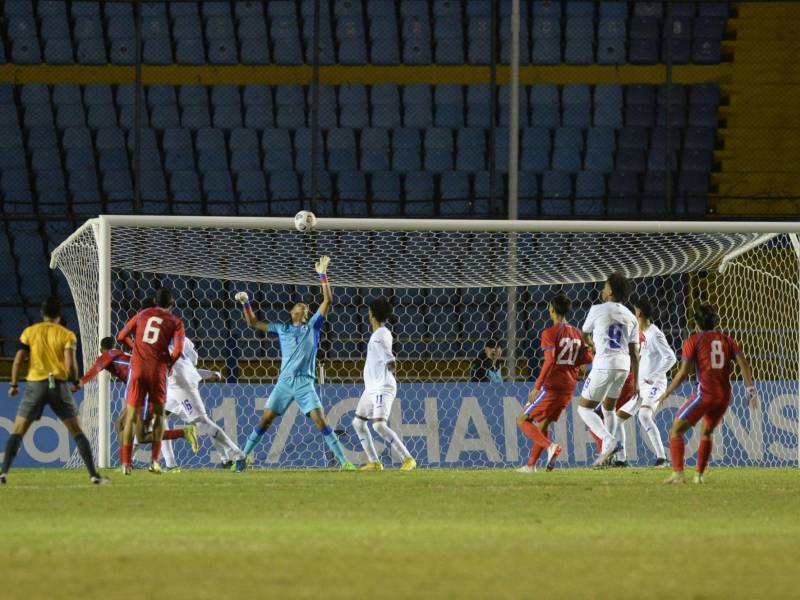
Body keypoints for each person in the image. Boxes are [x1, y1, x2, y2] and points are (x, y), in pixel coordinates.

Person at [235, 256, 355, 471]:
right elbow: (253, 323)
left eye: (305, 305)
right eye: (299, 304)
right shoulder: (282, 329)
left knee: (321, 422)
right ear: (291, 312)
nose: (304, 305)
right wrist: (246, 303)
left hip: (304, 382)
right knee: (265, 421)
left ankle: (345, 462)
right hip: (284, 382)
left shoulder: (313, 327)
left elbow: (327, 300)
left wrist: (323, 275)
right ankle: (242, 457)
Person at [1, 298, 107, 485]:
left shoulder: (29, 332)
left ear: (42, 314)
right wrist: (75, 381)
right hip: (58, 385)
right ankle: (93, 475)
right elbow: (71, 364)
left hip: (35, 385)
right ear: (60, 315)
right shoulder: (67, 335)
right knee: (77, 431)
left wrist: (14, 385)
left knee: (18, 431)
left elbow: (18, 361)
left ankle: (3, 473)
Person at [658, 304, 757, 484]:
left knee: (675, 430)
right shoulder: (727, 340)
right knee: (706, 432)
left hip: (704, 394)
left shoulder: (693, 341)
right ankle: (699, 476)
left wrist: (668, 392)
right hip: (724, 396)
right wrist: (750, 389)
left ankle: (678, 474)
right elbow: (744, 364)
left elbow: (683, 373)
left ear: (696, 323)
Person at [78, 336, 197, 470]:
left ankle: (183, 432)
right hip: (146, 390)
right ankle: (127, 462)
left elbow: (94, 370)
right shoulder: (122, 356)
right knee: (120, 424)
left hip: (144, 393)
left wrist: (76, 385)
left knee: (142, 436)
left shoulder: (108, 355)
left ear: (101, 350)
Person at [517, 292, 593, 473]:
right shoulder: (577, 333)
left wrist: (537, 386)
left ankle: (551, 446)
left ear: (551, 309)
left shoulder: (549, 333)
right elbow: (588, 359)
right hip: (569, 386)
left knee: (522, 420)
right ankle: (531, 465)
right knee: (543, 423)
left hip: (551, 385)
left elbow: (549, 360)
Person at [117, 287, 185, 475]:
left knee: (131, 418)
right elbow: (178, 350)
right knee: (158, 417)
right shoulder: (175, 321)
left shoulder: (142, 314)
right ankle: (155, 462)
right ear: (172, 304)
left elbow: (121, 336)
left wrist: (136, 347)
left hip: (137, 368)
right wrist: (169, 364)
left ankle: (125, 464)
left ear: (155, 302)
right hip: (158, 371)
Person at [576, 273, 640, 467]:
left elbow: (584, 332)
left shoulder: (597, 309)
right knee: (608, 408)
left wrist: (592, 345)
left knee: (583, 408)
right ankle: (607, 454)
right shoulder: (630, 316)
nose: (602, 290)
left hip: (604, 364)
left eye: (604, 286)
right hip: (623, 367)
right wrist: (636, 381)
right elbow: (634, 352)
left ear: (610, 291)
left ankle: (609, 440)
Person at [352, 298, 416, 471]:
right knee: (358, 423)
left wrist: (390, 364)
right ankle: (374, 462)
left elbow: (389, 359)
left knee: (379, 425)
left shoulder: (380, 335)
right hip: (371, 388)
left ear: (371, 314)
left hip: (382, 386)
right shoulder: (379, 334)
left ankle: (408, 459)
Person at [165, 335, 245, 469]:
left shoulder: (174, 342)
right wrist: (211, 374)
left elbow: (188, 367)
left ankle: (238, 455)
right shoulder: (174, 341)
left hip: (180, 384)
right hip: (173, 387)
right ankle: (169, 464)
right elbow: (190, 366)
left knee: (203, 422)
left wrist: (210, 374)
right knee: (158, 418)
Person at [616, 297, 676, 467]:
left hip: (655, 384)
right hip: (641, 385)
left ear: (639, 313)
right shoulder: (638, 334)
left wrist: (654, 375)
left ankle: (662, 458)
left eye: (634, 311)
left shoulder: (655, 333)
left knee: (643, 415)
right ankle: (621, 460)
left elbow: (671, 358)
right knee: (617, 418)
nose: (633, 315)